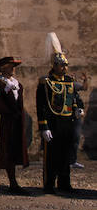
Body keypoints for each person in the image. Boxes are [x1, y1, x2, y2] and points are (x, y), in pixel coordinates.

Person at [37, 38, 88, 195]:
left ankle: (65, 182)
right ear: (55, 66)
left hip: (67, 121)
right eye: (62, 65)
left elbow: (74, 98)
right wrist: (43, 127)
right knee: (52, 155)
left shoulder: (69, 81)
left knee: (66, 155)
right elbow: (42, 106)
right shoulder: (46, 82)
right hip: (52, 122)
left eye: (66, 65)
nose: (65, 68)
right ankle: (49, 184)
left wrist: (78, 108)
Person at [0, 56, 28, 196]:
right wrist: (3, 91)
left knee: (12, 152)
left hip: (14, 122)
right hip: (1, 121)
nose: (14, 69)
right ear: (3, 68)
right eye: (11, 66)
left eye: (14, 66)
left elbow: (19, 104)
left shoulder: (18, 84)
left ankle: (13, 183)